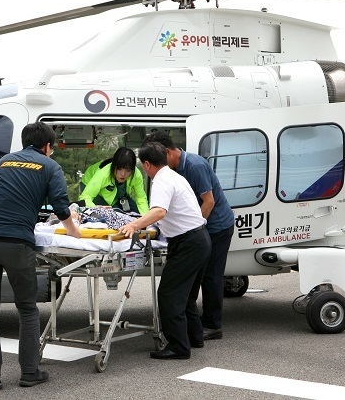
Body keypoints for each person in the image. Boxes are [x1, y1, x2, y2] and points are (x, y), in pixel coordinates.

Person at [0, 122, 81, 390]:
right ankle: (29, 373)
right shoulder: (50, 166)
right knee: (27, 309)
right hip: (18, 244)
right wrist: (75, 233)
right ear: (47, 146)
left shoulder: (2, 163)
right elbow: (61, 207)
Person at [118, 142, 211, 359]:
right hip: (199, 238)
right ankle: (194, 337)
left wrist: (134, 225)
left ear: (147, 164)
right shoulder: (175, 176)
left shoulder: (161, 180)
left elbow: (160, 211)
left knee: (169, 294)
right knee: (186, 295)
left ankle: (178, 347)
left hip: (188, 243)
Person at [142, 131, 234, 341]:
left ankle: (213, 324)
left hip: (216, 225)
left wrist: (192, 229)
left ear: (166, 152)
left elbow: (208, 201)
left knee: (210, 277)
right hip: (200, 228)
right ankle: (194, 331)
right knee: (193, 282)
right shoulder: (173, 171)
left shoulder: (194, 166)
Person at [79, 147, 150, 214]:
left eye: (128, 170)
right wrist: (95, 208)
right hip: (90, 185)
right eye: (119, 169)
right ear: (114, 166)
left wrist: (146, 221)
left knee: (136, 212)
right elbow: (85, 196)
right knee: (104, 213)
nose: (123, 174)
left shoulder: (136, 175)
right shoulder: (103, 174)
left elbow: (141, 198)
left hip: (117, 193)